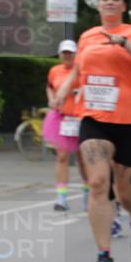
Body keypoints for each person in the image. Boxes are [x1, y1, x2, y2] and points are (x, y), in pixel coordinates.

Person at [55, 0, 131, 262]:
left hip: (130, 120)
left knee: (126, 193)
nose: (110, 2)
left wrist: (124, 44)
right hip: (94, 118)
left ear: (124, 6)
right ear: (99, 5)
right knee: (99, 182)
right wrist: (65, 88)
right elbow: (79, 71)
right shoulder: (88, 36)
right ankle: (104, 256)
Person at [43, 40, 87, 211]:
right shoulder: (54, 70)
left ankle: (87, 195)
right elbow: (49, 86)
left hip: (80, 118)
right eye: (64, 52)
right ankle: (61, 198)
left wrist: (74, 92)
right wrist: (51, 98)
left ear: (76, 54)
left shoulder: (81, 70)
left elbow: (86, 88)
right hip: (61, 118)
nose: (67, 55)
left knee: (83, 159)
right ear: (60, 54)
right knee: (61, 156)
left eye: (70, 52)